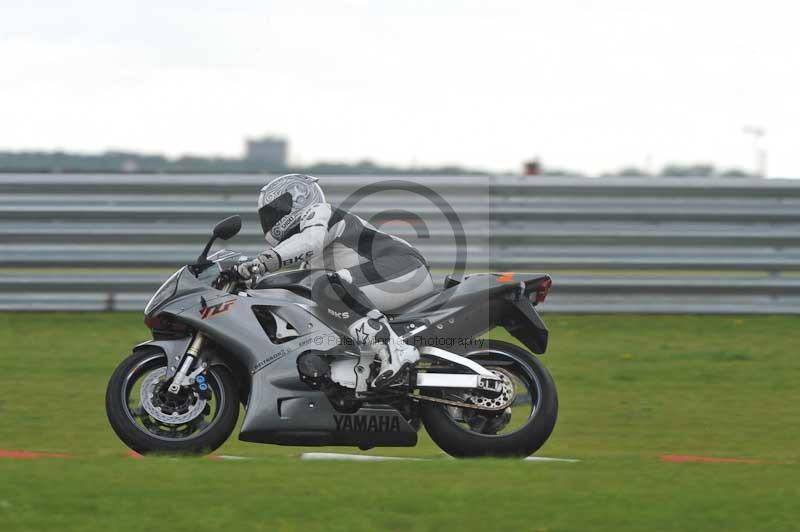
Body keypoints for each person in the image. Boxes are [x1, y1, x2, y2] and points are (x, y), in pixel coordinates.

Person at [237, 174, 435, 388]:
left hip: (402, 268)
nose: (271, 218)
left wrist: (261, 263)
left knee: (326, 286)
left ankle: (395, 351)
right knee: (318, 294)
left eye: (276, 209)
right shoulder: (311, 258)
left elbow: (309, 242)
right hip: (389, 277)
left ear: (299, 199)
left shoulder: (320, 213)